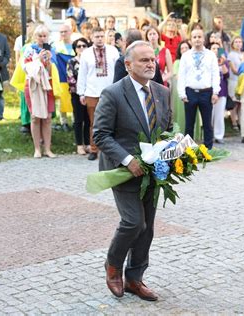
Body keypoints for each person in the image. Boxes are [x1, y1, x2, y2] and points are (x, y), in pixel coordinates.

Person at [93, 40, 172, 301]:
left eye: (153, 59)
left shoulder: (162, 92)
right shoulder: (113, 93)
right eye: (144, 60)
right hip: (124, 170)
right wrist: (128, 160)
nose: (151, 64)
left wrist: (174, 151)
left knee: (147, 226)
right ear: (128, 65)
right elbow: (101, 135)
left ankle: (135, 278)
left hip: (153, 172)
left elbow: (167, 130)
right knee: (133, 221)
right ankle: (113, 267)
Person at [77, 27, 119, 160]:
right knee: (94, 123)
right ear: (92, 38)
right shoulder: (86, 53)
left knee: (113, 122)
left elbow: (118, 71)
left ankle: (111, 150)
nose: (100, 39)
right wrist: (81, 93)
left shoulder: (113, 51)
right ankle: (94, 149)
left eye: (102, 36)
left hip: (111, 92)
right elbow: (82, 74)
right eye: (97, 36)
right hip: (92, 92)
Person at [177, 27, 220, 149]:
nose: (197, 39)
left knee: (207, 123)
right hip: (190, 92)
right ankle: (187, 150)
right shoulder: (186, 56)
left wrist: (215, 92)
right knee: (189, 123)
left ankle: (208, 149)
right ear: (191, 40)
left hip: (206, 92)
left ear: (204, 38)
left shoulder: (211, 55)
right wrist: (182, 93)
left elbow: (215, 74)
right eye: (194, 37)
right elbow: (182, 75)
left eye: (199, 37)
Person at [22, 25, 59, 158]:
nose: (42, 38)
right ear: (35, 37)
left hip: (47, 84)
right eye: (40, 36)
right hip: (33, 85)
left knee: (48, 118)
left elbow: (52, 71)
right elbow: (25, 68)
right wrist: (37, 59)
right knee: (35, 117)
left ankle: (48, 149)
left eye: (45, 36)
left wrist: (48, 61)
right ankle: (37, 148)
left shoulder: (52, 50)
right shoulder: (29, 50)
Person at [67, 37, 90, 155]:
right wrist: (80, 91)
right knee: (78, 120)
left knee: (88, 119)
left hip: (90, 93)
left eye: (84, 46)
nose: (81, 48)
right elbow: (70, 78)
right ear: (75, 49)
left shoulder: (90, 60)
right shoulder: (72, 62)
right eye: (79, 46)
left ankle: (88, 144)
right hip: (76, 95)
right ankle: (79, 145)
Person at [53, 23, 75, 132]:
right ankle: (64, 121)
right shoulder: (56, 46)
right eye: (61, 32)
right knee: (62, 98)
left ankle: (75, 120)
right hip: (61, 77)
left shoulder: (76, 45)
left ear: (70, 32)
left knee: (74, 98)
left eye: (65, 31)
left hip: (74, 77)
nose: (63, 34)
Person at [209, 42, 229, 144]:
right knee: (209, 115)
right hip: (209, 92)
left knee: (219, 115)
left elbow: (226, 75)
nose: (216, 50)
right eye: (213, 48)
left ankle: (219, 135)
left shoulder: (223, 61)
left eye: (218, 48)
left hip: (222, 92)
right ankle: (209, 135)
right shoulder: (207, 61)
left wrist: (222, 63)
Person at [227, 36, 243, 132]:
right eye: (236, 42)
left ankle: (240, 121)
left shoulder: (243, 54)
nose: (238, 43)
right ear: (232, 44)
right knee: (234, 102)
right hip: (234, 80)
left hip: (242, 82)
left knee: (240, 103)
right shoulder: (231, 55)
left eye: (240, 41)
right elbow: (234, 70)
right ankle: (234, 122)